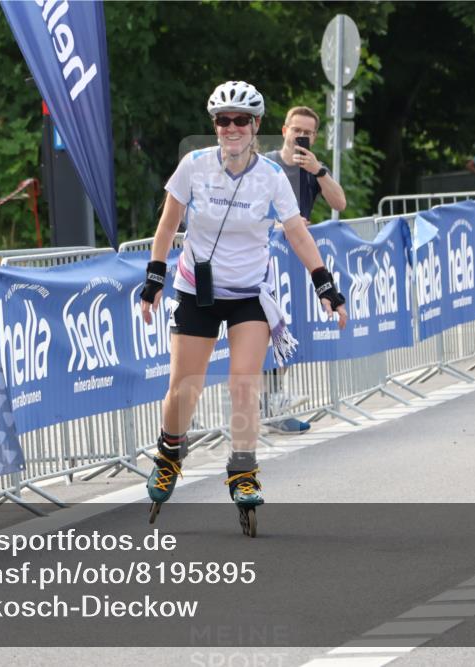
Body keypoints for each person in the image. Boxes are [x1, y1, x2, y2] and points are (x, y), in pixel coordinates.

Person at [140, 81, 348, 535]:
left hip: (249, 293)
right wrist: (154, 277)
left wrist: (325, 285)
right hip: (197, 291)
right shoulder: (193, 166)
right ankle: (170, 453)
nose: (231, 128)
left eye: (241, 120)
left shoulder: (271, 177)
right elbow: (168, 224)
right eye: (223, 120)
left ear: (255, 126)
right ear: (215, 125)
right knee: (184, 389)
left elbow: (296, 232)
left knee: (243, 383)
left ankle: (243, 470)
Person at [260, 105, 347, 434]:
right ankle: (261, 408)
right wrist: (276, 225)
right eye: (296, 130)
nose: (301, 136)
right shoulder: (265, 165)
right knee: (265, 333)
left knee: (288, 334)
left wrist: (320, 171)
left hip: (296, 265)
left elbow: (339, 204)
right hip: (262, 262)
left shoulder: (313, 168)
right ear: (285, 131)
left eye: (308, 132)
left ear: (315, 136)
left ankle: (273, 407)